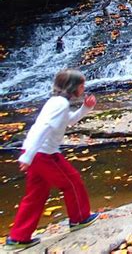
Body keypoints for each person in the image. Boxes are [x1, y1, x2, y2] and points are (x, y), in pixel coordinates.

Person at [5, 69, 99, 251]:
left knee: (35, 195)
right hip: (44, 154)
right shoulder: (60, 104)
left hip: (34, 150)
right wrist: (28, 156)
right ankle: (79, 218)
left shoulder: (57, 102)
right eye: (82, 85)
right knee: (72, 181)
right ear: (73, 87)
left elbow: (69, 121)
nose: (84, 88)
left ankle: (18, 238)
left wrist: (85, 108)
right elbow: (44, 127)